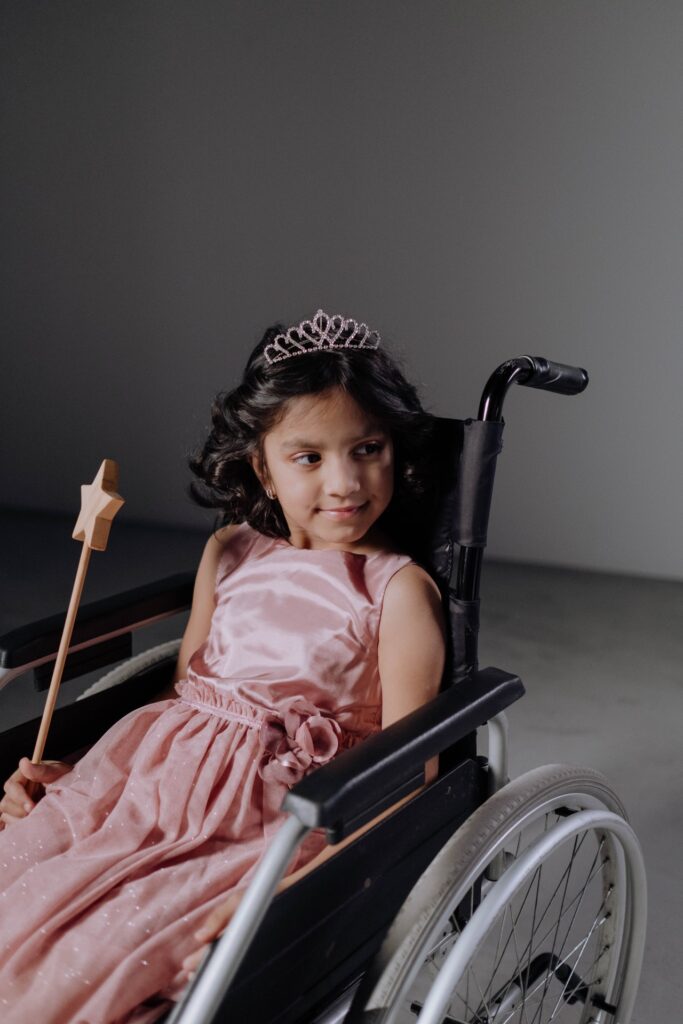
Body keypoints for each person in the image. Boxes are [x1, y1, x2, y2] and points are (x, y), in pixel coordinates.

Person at [0, 309, 446, 1024]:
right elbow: (184, 700)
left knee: (114, 947)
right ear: (259, 466)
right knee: (27, 873)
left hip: (265, 823)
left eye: (366, 449)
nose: (344, 482)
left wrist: (288, 892)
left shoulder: (396, 591)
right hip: (146, 787)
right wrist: (78, 774)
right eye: (309, 457)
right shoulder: (231, 550)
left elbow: (406, 776)